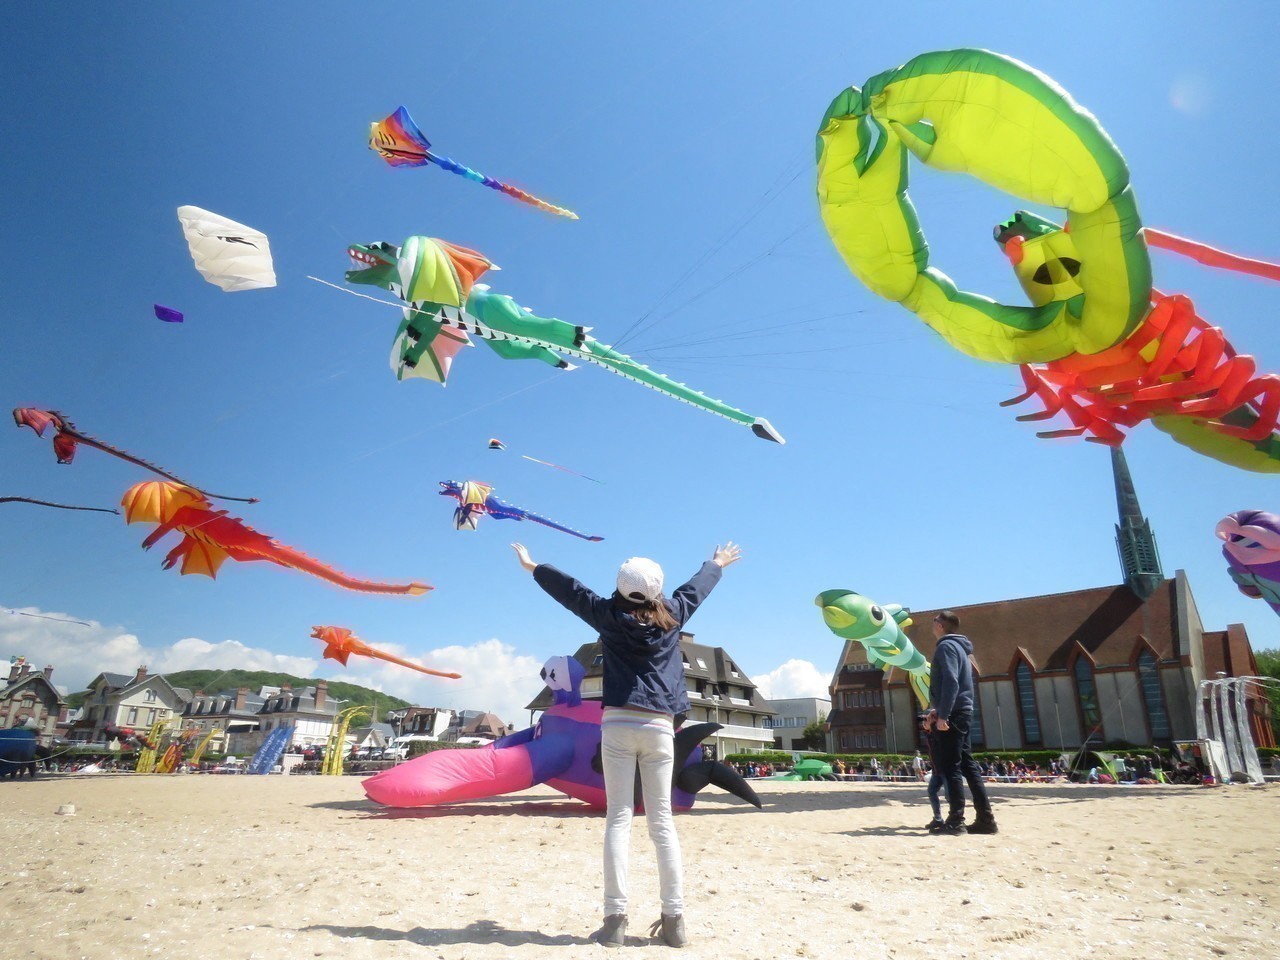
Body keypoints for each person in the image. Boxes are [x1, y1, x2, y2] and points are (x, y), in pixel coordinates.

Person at [512, 540, 743, 949]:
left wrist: (534, 566)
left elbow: (571, 591)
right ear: (657, 589)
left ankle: (614, 920)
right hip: (659, 727)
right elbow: (697, 588)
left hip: (618, 724)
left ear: (620, 586)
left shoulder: (607, 614)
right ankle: (674, 921)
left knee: (618, 819)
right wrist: (717, 563)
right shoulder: (673, 612)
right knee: (661, 823)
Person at [926, 610, 998, 835]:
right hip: (962, 711)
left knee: (951, 767)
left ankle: (956, 821)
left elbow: (951, 681)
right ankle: (986, 820)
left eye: (934, 620)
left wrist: (944, 715)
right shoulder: (960, 648)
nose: (932, 624)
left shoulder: (946, 647)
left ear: (940, 626)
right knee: (968, 766)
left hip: (954, 714)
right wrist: (939, 709)